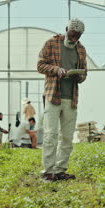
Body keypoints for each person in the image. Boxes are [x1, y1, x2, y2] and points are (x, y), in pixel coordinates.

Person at [37, 18, 87, 182]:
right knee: (50, 134)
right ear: (66, 29)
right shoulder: (51, 43)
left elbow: (84, 73)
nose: (74, 39)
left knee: (67, 137)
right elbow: (40, 65)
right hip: (53, 95)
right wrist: (56, 69)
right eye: (72, 35)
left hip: (71, 98)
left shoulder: (81, 49)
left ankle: (60, 171)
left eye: (77, 37)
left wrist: (80, 75)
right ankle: (48, 172)